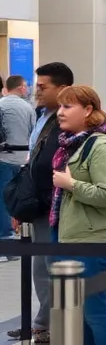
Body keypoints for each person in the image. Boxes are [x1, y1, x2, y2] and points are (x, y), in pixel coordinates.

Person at [50, 85, 106, 345]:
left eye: (68, 106)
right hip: (76, 237)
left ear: (89, 110)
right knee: (81, 314)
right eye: (59, 107)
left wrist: (71, 184)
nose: (60, 112)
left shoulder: (102, 145)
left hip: (94, 240)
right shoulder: (75, 145)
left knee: (95, 313)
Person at [6, 63, 72, 345]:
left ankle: (46, 323)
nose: (37, 91)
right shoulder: (42, 117)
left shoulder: (66, 123)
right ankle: (42, 322)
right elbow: (34, 161)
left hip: (54, 204)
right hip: (38, 204)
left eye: (44, 87)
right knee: (40, 267)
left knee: (51, 265)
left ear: (62, 89)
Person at [0, 74, 36, 247]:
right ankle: (15, 232)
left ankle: (5, 235)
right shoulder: (28, 107)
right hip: (22, 159)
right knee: (19, 197)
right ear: (21, 87)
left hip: (3, 158)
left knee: (2, 197)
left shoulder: (1, 104)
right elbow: (33, 133)